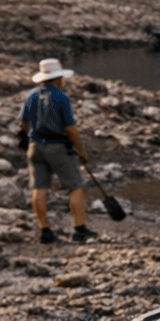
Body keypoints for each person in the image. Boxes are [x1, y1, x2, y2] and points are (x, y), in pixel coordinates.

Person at [20, 58, 98, 244]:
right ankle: (79, 230)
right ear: (56, 79)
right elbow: (70, 128)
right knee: (75, 186)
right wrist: (81, 151)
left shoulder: (30, 95)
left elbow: (23, 123)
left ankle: (45, 231)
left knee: (39, 188)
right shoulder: (61, 97)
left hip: (35, 146)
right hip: (58, 147)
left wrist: (28, 140)